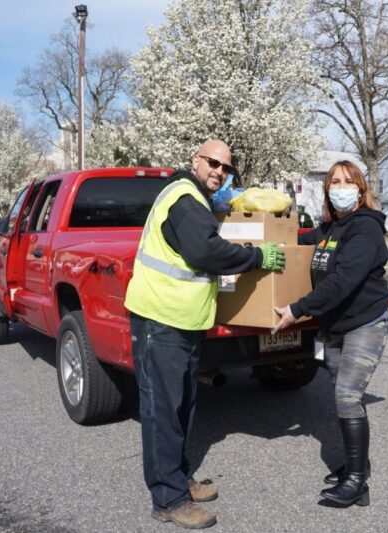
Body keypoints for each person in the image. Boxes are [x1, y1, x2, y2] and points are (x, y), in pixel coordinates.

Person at [124, 139, 286, 529]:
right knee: (164, 412)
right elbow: (206, 252)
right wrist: (256, 256)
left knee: (182, 407)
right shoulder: (184, 199)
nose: (219, 171)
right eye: (213, 163)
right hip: (160, 320)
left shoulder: (196, 199)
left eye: (226, 167)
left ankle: (179, 479)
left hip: (183, 321)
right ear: (195, 160)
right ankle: (168, 499)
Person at [273, 160, 388, 507]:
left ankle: (357, 482)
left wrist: (297, 309)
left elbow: (344, 281)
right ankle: (356, 464)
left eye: (347, 181)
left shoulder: (365, 230)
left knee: (347, 396)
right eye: (334, 182)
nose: (340, 187)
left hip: (365, 322)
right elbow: (297, 240)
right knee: (342, 396)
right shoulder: (328, 229)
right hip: (334, 325)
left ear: (360, 189)